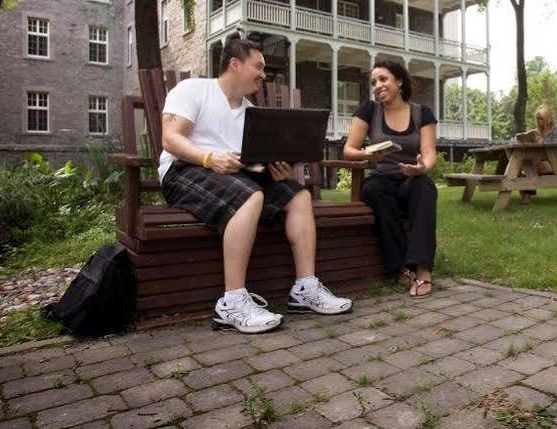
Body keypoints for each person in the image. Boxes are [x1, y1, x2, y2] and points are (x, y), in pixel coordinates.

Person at [159, 38, 352, 333]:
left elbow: (251, 163)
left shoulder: (252, 114)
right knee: (250, 197)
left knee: (298, 196)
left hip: (236, 177)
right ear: (235, 64)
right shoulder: (193, 90)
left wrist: (275, 169)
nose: (263, 74)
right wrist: (210, 158)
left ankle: (305, 288)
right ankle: (231, 303)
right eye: (258, 67)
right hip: (185, 169)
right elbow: (171, 138)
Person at [343, 60, 438, 299]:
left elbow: (429, 153)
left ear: (399, 81)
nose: (377, 86)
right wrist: (368, 153)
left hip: (410, 178)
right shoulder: (369, 110)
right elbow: (349, 149)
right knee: (374, 190)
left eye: (383, 79)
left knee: (425, 187)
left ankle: (423, 269)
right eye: (373, 82)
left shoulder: (421, 113)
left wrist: (421, 167)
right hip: (382, 178)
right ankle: (400, 267)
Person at [520, 105, 557, 203]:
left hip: (553, 164)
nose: (539, 121)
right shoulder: (537, 131)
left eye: (541, 119)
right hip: (539, 162)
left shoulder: (556, 130)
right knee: (526, 166)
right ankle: (527, 195)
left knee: (528, 170)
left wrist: (543, 143)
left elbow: (555, 147)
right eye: (538, 119)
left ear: (548, 118)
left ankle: (527, 196)